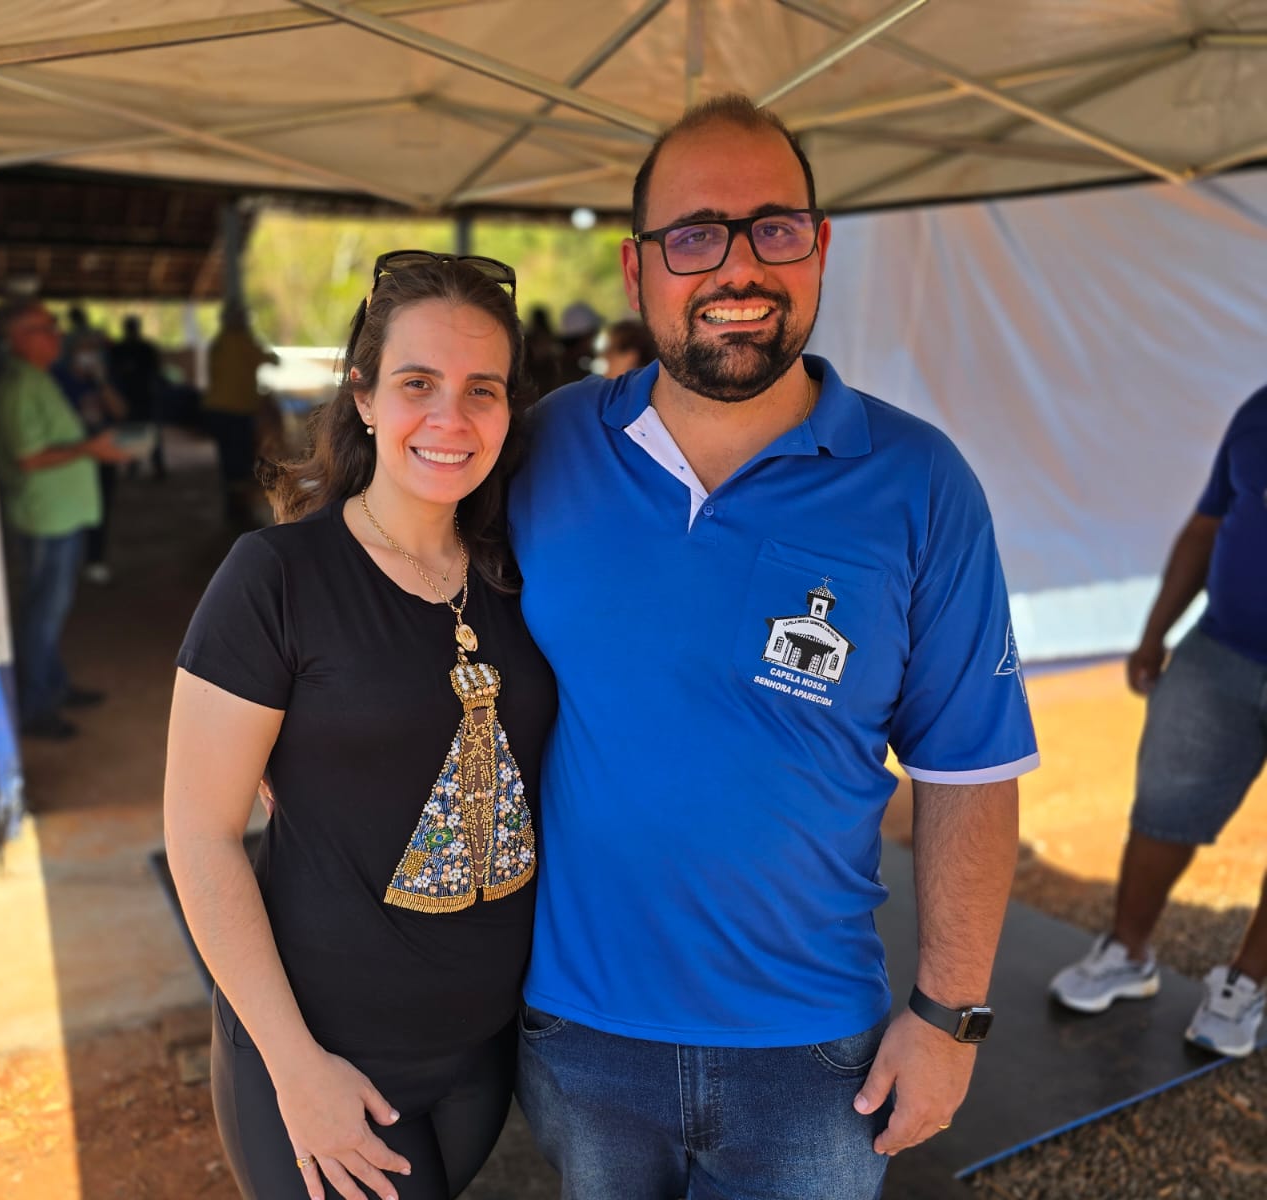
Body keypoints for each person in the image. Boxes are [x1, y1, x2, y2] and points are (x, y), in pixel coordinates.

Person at [507, 93, 1039, 1199]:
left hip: (812, 1060)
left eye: (774, 229)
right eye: (695, 235)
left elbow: (970, 768)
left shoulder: (919, 483)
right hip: (578, 1034)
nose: (738, 267)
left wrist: (950, 1017)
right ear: (636, 267)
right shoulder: (545, 447)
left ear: (821, 246)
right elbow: (406, 602)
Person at [164, 253, 555, 1200]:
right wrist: (294, 1069)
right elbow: (201, 836)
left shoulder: (525, 574)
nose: (450, 419)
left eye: (483, 390)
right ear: (365, 396)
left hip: (481, 1062)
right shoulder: (276, 578)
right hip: (319, 1060)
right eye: (417, 384)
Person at [1049, 384, 1267, 1058]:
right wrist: (1154, 634)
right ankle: (1128, 950)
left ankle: (1245, 985)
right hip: (1219, 653)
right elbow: (1208, 525)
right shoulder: (1258, 411)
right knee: (1163, 810)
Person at [0, 301, 131, 740]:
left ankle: (53, 685)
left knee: (49, 609)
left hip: (60, 514)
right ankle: (36, 707)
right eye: (45, 328)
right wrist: (91, 450)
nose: (56, 335)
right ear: (19, 338)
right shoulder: (18, 387)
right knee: (42, 613)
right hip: (45, 516)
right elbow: (28, 459)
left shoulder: (39, 379)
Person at [53, 305, 127, 584]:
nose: (89, 355)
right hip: (68, 457)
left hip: (100, 455)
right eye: (84, 349)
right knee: (69, 512)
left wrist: (101, 382)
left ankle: (95, 558)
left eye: (94, 349)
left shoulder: (102, 379)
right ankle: (68, 563)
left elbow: (120, 412)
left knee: (100, 508)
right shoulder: (58, 379)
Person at [204, 301, 280, 527]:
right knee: (241, 462)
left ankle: (233, 510)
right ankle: (240, 511)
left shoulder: (218, 343)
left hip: (219, 411)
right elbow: (269, 359)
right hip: (238, 412)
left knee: (229, 462)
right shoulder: (242, 342)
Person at [108, 314, 167, 477]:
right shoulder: (143, 348)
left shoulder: (123, 349)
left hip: (137, 395)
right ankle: (150, 465)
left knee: (140, 430)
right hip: (141, 395)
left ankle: (143, 465)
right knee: (144, 430)